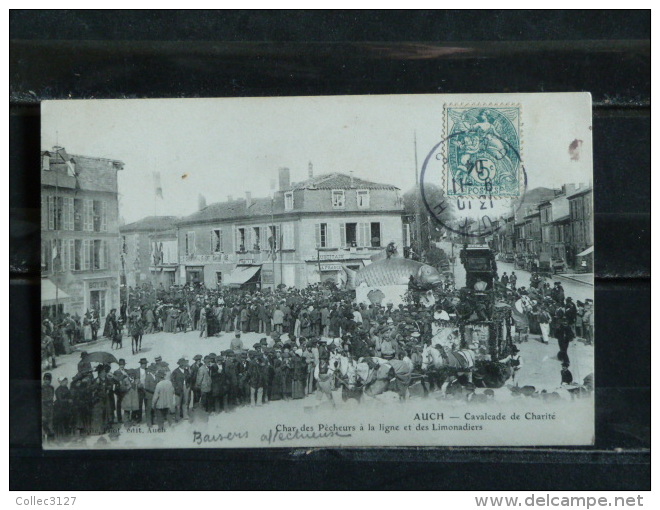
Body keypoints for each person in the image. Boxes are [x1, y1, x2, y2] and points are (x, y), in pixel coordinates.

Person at [136, 358, 156, 426]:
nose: (145, 365)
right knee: (139, 404)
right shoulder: (137, 370)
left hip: (147, 389)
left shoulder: (148, 370)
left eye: (145, 364)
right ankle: (139, 418)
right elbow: (135, 379)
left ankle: (149, 419)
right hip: (139, 389)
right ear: (140, 364)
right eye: (143, 364)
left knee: (148, 404)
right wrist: (138, 384)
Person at [113, 359, 132, 423]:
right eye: (121, 365)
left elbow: (130, 379)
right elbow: (114, 381)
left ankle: (127, 418)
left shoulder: (127, 371)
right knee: (119, 404)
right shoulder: (116, 372)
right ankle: (119, 418)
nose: (122, 366)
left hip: (126, 390)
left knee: (127, 404)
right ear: (119, 365)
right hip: (119, 390)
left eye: (123, 365)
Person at [42, 373, 55, 441]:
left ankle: (50, 435)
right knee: (44, 420)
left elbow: (52, 396)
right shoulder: (41, 387)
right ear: (43, 379)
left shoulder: (51, 387)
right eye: (46, 379)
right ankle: (43, 435)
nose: (47, 381)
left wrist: (50, 402)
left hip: (50, 407)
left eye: (49, 379)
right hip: (43, 407)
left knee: (50, 421)